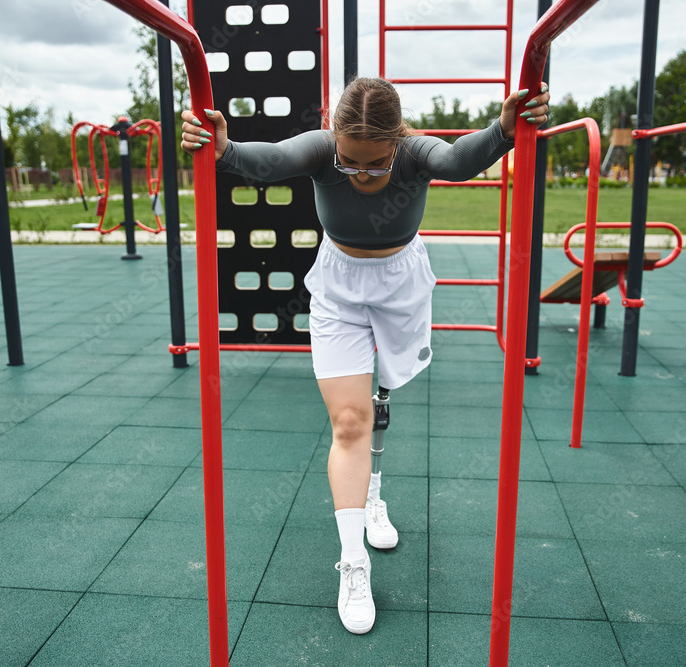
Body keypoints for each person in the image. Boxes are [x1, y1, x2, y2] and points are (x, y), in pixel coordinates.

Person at [181, 77, 550, 634]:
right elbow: (275, 159)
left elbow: (456, 162)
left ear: (397, 143)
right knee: (349, 420)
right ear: (334, 139)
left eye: (375, 164)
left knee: (379, 398)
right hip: (339, 283)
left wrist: (504, 129)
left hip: (400, 281)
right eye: (350, 163)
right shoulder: (324, 149)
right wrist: (224, 148)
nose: (361, 173)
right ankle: (353, 562)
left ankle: (372, 489)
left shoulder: (415, 152)